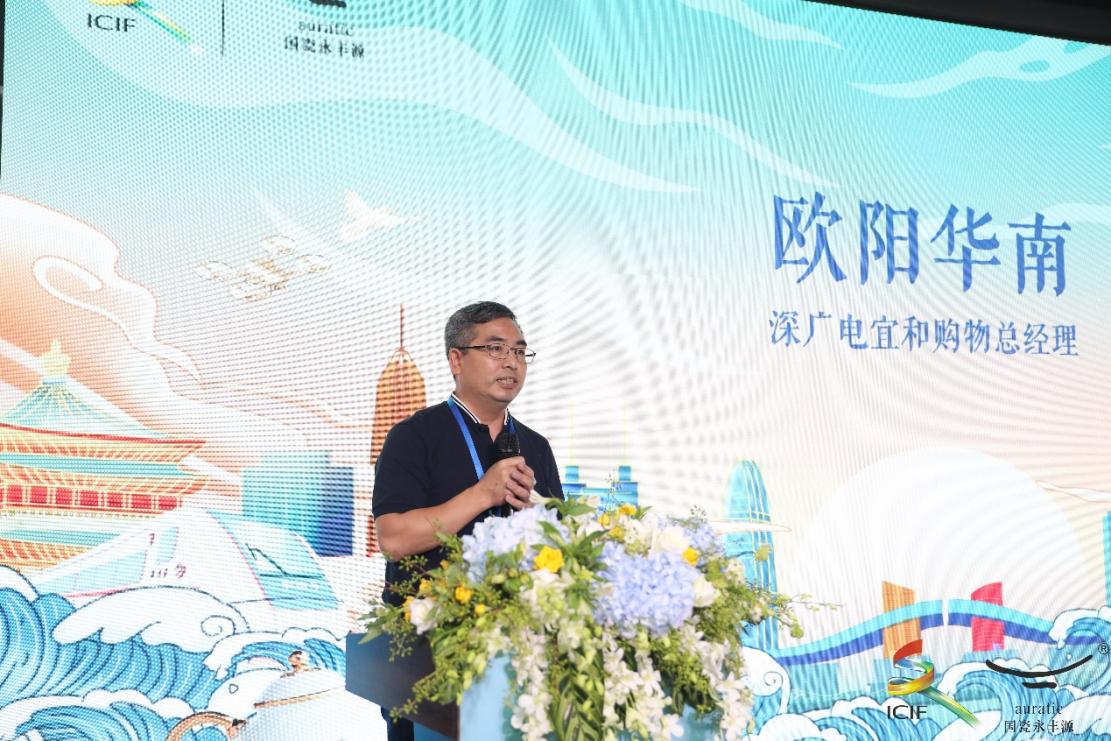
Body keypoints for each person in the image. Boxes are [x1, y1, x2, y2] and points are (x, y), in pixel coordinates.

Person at [372, 301, 563, 741]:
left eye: (519, 351)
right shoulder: (413, 437)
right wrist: (483, 494)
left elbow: (557, 548)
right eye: (495, 349)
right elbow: (394, 539)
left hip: (521, 653)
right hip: (427, 654)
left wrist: (536, 518)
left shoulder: (535, 446)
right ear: (456, 360)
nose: (511, 362)